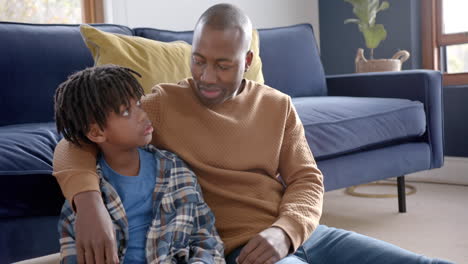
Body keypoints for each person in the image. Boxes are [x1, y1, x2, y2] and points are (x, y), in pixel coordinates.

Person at [53, 4, 452, 264]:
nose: (206, 77)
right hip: (246, 250)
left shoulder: (277, 105)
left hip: (304, 232)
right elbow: (75, 143)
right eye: (198, 60)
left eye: (223, 66)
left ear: (248, 60)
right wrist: (89, 206)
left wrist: (286, 230)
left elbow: (307, 180)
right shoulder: (161, 104)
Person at [54, 64, 225, 263]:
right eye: (126, 111)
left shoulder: (175, 171)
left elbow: (205, 239)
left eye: (139, 105)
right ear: (96, 133)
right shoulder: (85, 195)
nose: (143, 115)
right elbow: (75, 254)